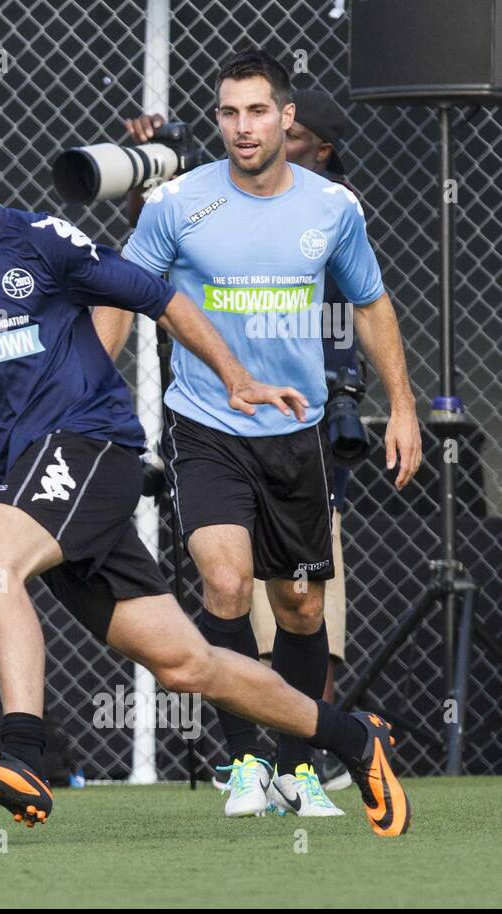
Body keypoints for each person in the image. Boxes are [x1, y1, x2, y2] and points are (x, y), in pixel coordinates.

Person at [0, 96, 411, 837]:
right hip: (27, 482)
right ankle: (356, 738)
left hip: (89, 444)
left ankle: (23, 757)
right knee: (188, 665)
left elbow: (159, 298)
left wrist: (233, 375)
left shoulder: (37, 240)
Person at [95, 51, 421, 820]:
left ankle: (298, 767)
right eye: (228, 113)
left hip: (297, 429)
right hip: (207, 422)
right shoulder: (175, 202)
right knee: (226, 582)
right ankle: (243, 763)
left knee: (302, 604)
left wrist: (402, 406)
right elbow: (120, 291)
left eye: (256, 112)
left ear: (285, 117)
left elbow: (371, 304)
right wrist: (86, 385)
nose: (241, 127)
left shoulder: (332, 206)